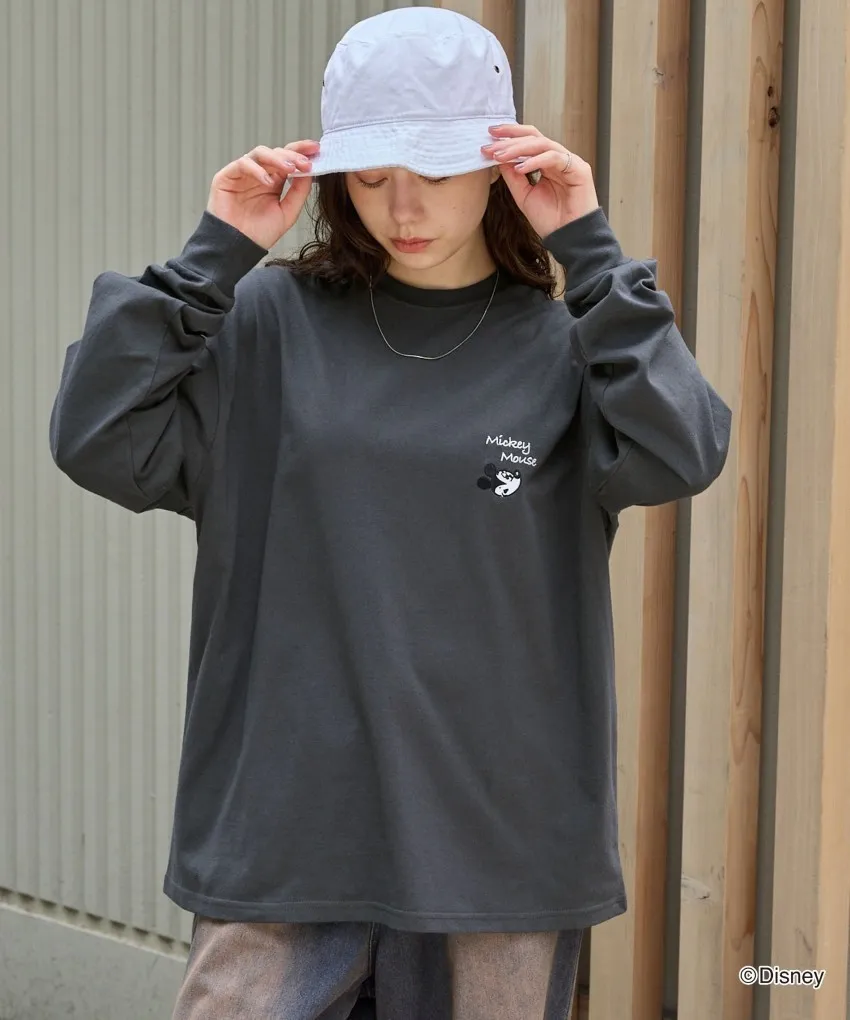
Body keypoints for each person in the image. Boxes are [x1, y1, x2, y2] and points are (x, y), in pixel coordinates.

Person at [48, 6, 731, 1019]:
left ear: (498, 165)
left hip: (498, 852)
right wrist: (209, 259)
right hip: (283, 838)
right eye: (370, 177)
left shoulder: (567, 347)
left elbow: (685, 449)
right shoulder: (265, 327)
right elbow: (96, 435)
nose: (403, 207)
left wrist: (590, 251)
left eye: (437, 172)